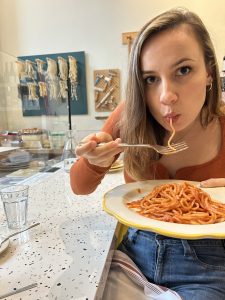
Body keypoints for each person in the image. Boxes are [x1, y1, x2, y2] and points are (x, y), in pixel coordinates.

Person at [70, 7, 225, 300]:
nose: (166, 95)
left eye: (183, 70)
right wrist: (94, 162)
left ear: (208, 72)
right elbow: (79, 187)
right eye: (151, 79)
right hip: (133, 258)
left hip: (208, 268)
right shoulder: (130, 116)